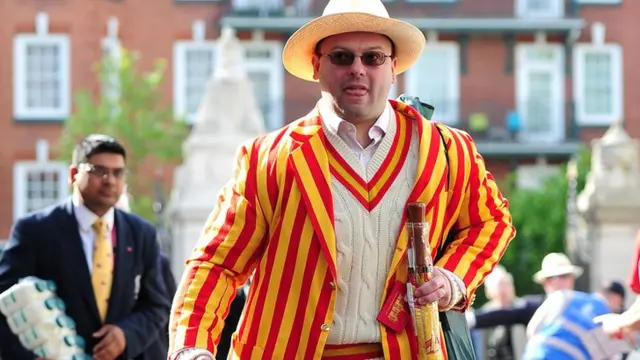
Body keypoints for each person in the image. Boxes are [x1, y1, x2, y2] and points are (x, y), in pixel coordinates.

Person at [168, 0, 516, 359]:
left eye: (373, 58)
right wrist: (191, 348)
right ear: (317, 65)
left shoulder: (445, 150)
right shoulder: (268, 159)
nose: (357, 69)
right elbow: (217, 264)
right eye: (341, 56)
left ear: (394, 68)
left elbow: (491, 222)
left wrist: (452, 278)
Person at [0, 134, 170, 360]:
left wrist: (126, 335)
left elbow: (156, 305)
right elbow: (4, 301)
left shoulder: (142, 234)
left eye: (118, 172)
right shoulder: (35, 230)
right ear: (73, 174)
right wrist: (28, 357)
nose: (109, 179)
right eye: (98, 170)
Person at [467, 253, 582, 331]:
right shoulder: (535, 307)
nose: (560, 282)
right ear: (545, 282)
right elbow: (504, 314)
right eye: (554, 278)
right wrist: (472, 319)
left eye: (565, 276)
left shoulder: (584, 306)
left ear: (572, 278)